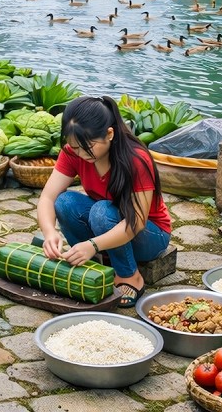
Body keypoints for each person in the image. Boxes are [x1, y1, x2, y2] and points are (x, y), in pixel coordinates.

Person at [36, 95, 172, 307]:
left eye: (87, 146)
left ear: (109, 134)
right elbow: (47, 197)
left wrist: (93, 244)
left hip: (149, 235)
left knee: (101, 211)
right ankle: (94, 265)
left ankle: (130, 276)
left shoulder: (135, 159)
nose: (81, 154)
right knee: (64, 202)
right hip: (107, 226)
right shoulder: (74, 153)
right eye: (75, 147)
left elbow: (136, 221)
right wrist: (49, 233)